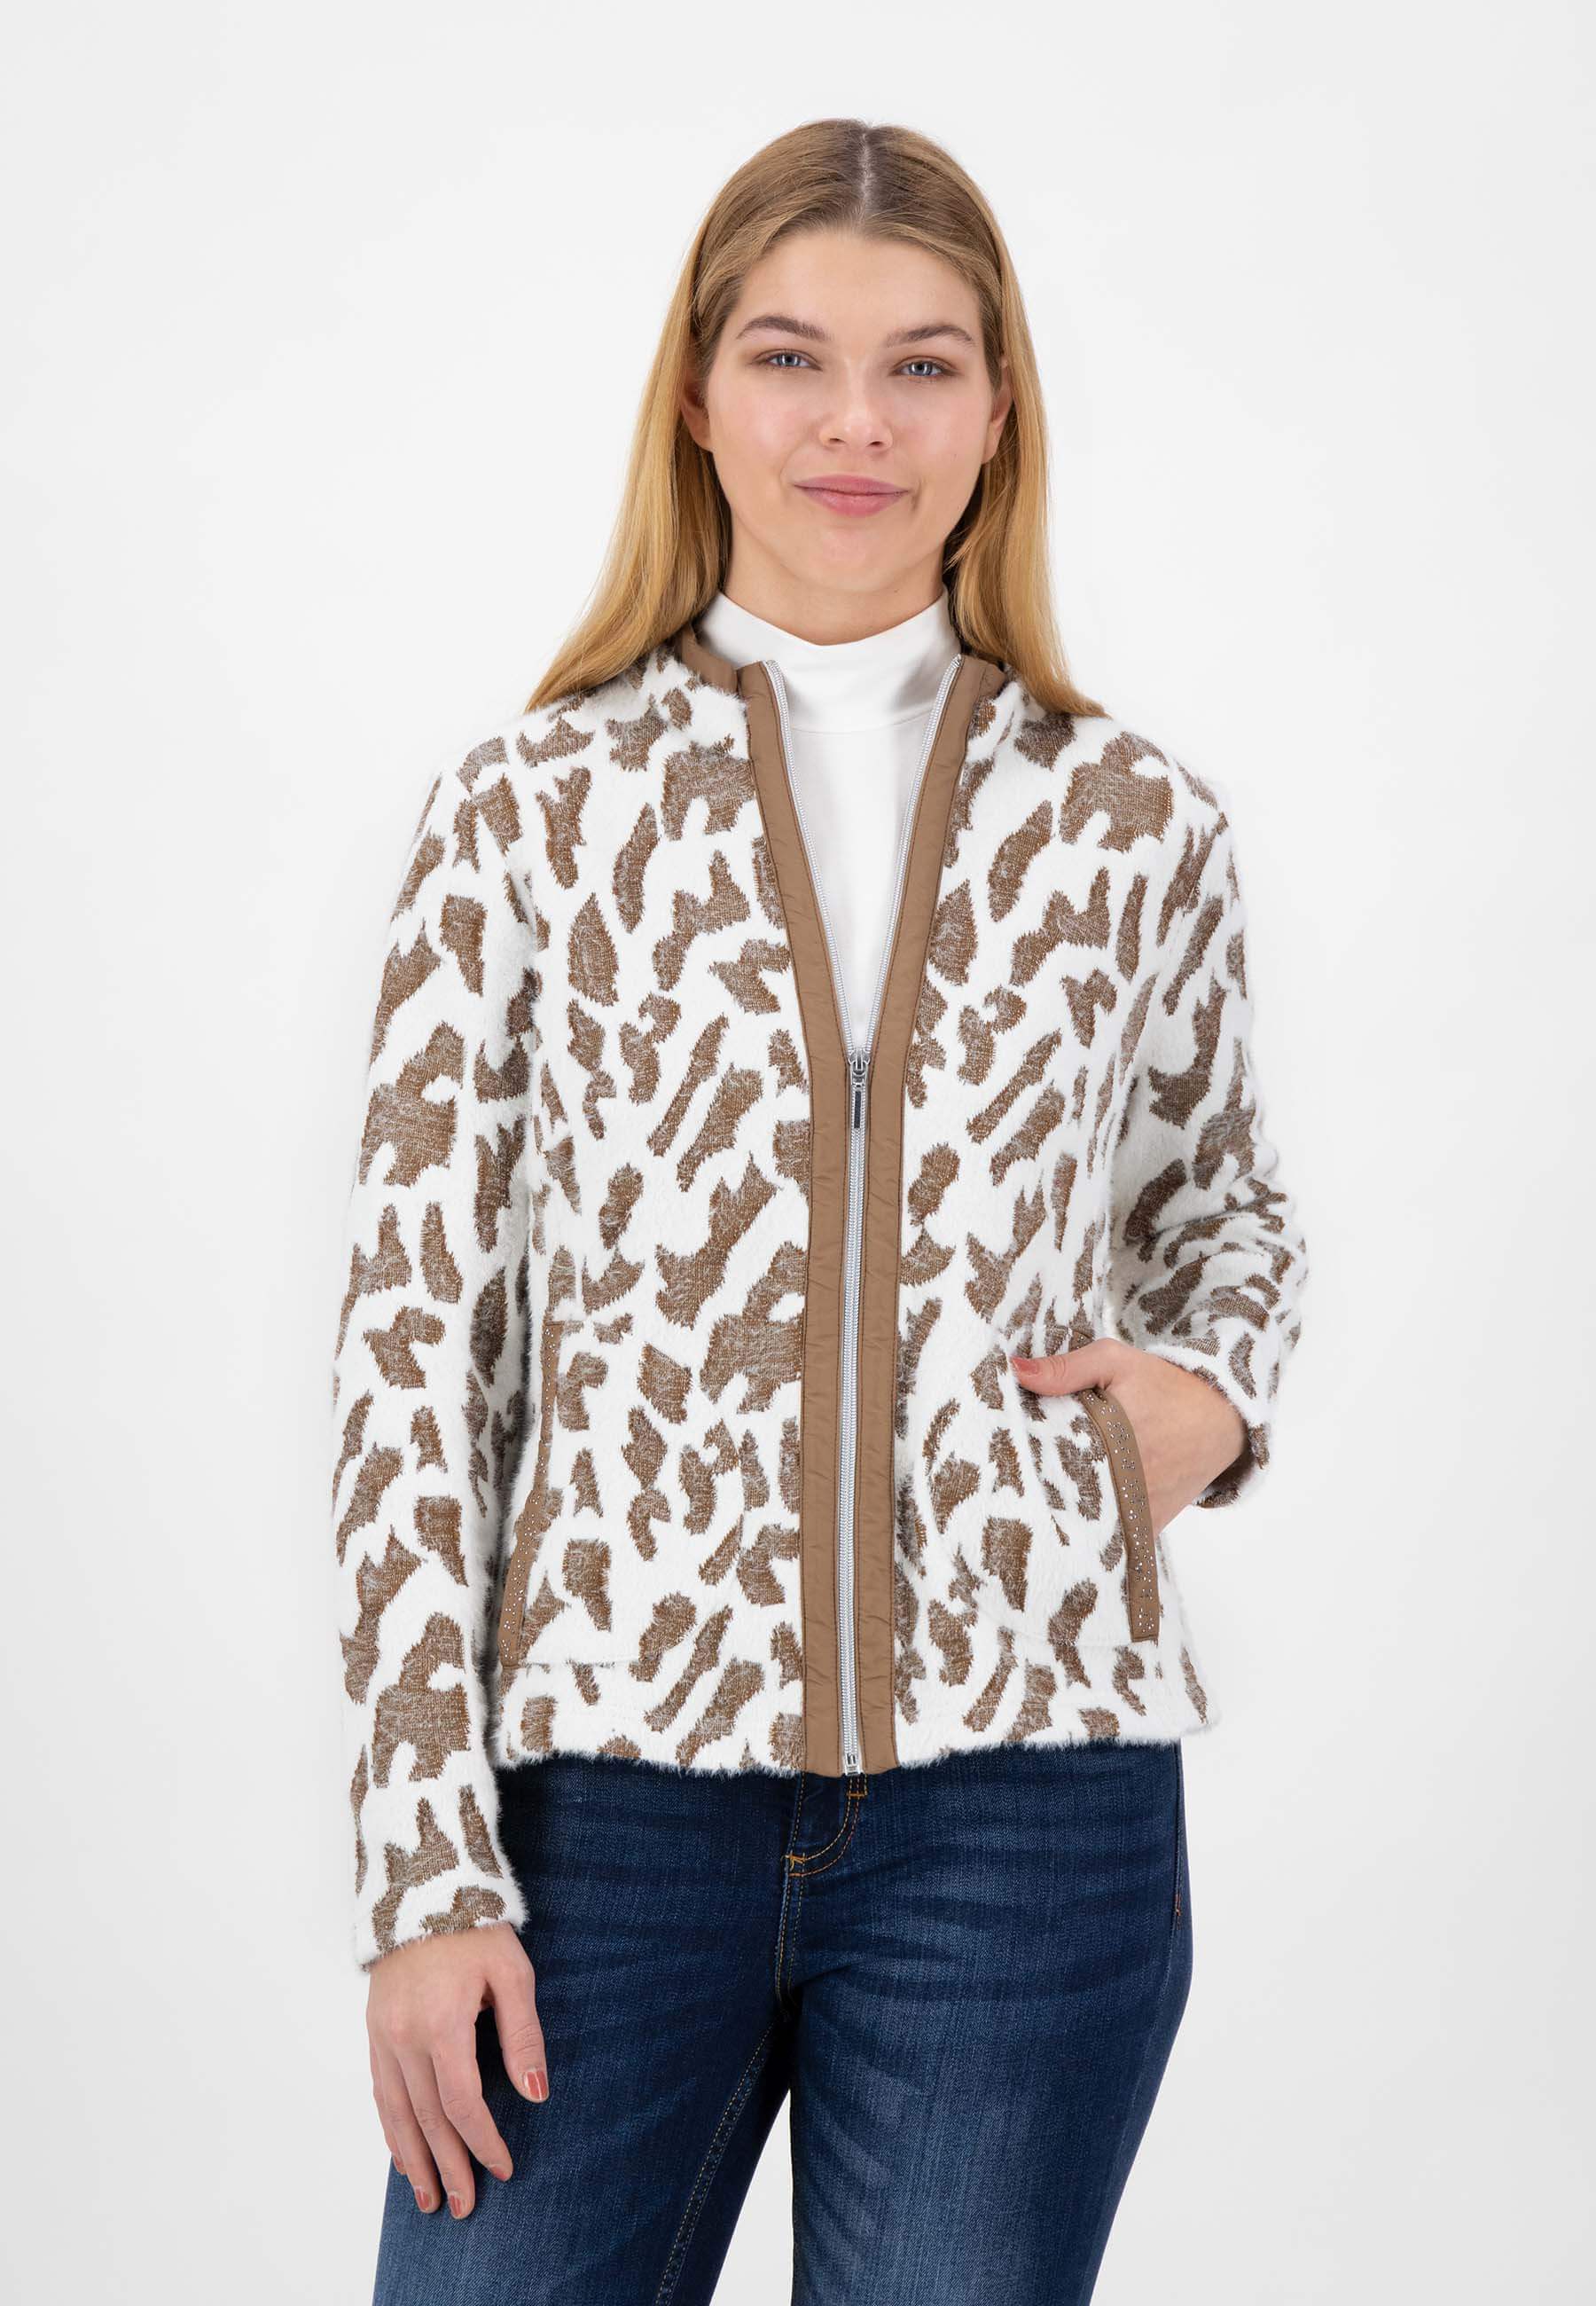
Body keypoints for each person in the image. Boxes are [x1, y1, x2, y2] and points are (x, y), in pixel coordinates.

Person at [329, 115, 1310, 2306]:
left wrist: (1211, 1400)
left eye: (921, 365)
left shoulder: (1132, 820)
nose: (856, 422)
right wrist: (424, 1865)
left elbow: (1225, 1204)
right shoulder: (527, 812)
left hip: (1024, 1813)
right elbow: (412, 1348)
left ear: (999, 410)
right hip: (600, 1810)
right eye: (791, 357)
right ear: (698, 397)